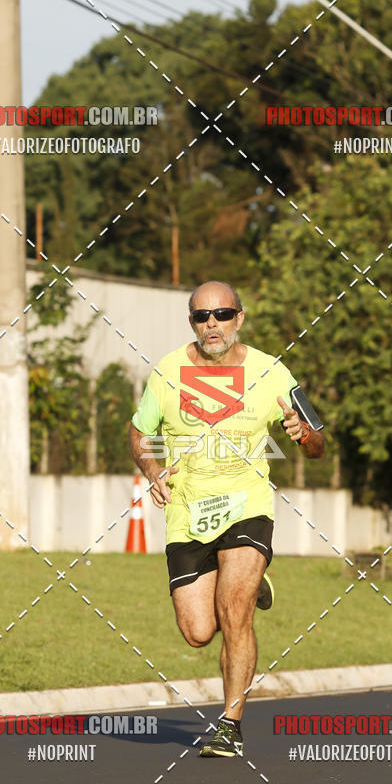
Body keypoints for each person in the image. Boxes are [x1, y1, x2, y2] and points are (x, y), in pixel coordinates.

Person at [128, 281, 324, 758]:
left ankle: (229, 725)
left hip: (246, 506)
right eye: (202, 316)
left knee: (234, 613)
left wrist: (302, 434)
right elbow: (139, 431)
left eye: (221, 314)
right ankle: (251, 585)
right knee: (197, 631)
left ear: (240, 317)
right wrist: (152, 471)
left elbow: (318, 440)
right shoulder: (167, 372)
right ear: (191, 322)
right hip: (187, 512)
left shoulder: (272, 372)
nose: (211, 324)